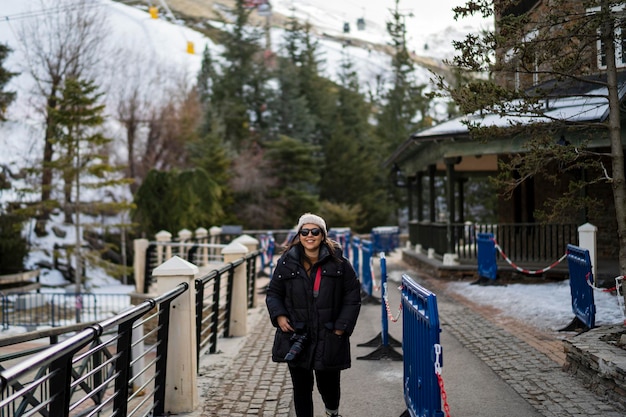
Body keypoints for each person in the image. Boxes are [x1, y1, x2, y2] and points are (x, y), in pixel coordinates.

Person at [266, 213, 361, 417]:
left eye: (315, 231)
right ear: (299, 235)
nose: (310, 235)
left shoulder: (339, 264)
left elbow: (352, 296)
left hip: (329, 334)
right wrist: (280, 316)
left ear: (323, 235)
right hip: (297, 335)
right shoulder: (286, 262)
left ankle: (331, 412)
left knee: (329, 386)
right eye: (305, 231)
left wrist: (340, 328)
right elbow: (274, 293)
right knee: (301, 388)